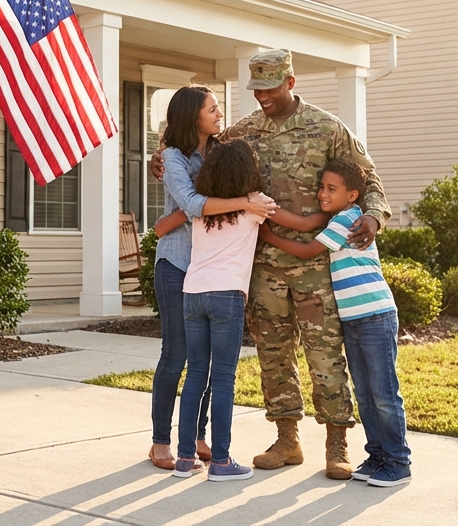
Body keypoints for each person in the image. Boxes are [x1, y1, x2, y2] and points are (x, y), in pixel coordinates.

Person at [151, 49, 390, 479]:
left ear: (291, 83)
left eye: (270, 88)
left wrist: (373, 215)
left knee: (324, 355)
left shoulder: (327, 127)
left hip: (316, 262)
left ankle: (337, 443)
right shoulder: (242, 132)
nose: (262, 96)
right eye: (256, 89)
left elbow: (367, 178)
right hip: (261, 265)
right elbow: (194, 152)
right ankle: (287, 438)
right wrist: (160, 158)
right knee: (274, 355)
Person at [257, 158, 411, 487]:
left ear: (353, 195)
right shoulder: (338, 218)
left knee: (383, 393)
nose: (322, 193)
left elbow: (306, 249)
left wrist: (267, 236)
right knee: (366, 394)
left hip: (375, 316)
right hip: (353, 321)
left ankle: (398, 462)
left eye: (331, 189)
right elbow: (302, 223)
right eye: (321, 187)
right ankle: (377, 456)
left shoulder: (349, 220)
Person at [147, 85, 276, 471]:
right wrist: (242, 202)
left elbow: (197, 204)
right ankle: (160, 441)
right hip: (177, 264)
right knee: (177, 355)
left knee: (204, 364)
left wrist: (168, 221)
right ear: (192, 116)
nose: (219, 114)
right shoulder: (171, 157)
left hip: (212, 269)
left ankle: (197, 437)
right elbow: (190, 205)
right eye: (212, 109)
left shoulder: (220, 151)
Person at [172, 138, 266, 481]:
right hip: (226, 295)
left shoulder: (202, 214)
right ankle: (222, 462)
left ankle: (184, 459)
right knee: (223, 379)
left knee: (196, 375)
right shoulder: (255, 206)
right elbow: (273, 211)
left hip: (192, 293)